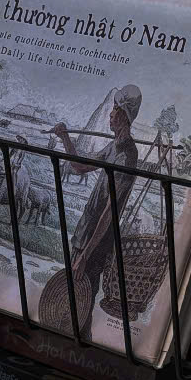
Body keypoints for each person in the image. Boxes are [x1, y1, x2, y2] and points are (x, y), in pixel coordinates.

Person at [45, 84, 142, 311]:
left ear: (125, 116)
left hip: (96, 244)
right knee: (68, 299)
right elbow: (79, 166)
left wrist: (86, 256)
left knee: (82, 303)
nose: (111, 113)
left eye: (116, 109)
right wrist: (65, 138)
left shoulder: (127, 156)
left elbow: (109, 212)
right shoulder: (113, 147)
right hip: (85, 232)